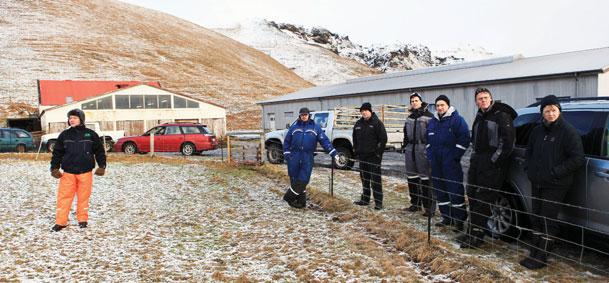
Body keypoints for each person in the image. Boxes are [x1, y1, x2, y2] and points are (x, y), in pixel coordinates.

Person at [519, 95, 584, 269]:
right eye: (547, 110)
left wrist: (555, 172)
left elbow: (577, 158)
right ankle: (534, 251)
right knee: (536, 217)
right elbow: (529, 152)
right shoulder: (537, 131)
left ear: (559, 111)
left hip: (556, 184)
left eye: (554, 110)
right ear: (542, 113)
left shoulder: (568, 131)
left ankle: (541, 257)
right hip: (538, 181)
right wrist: (529, 170)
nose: (551, 113)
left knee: (548, 219)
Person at [457, 88, 517, 248]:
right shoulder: (480, 116)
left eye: (485, 97)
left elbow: (507, 143)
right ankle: (471, 232)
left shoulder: (501, 116)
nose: (483, 100)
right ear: (476, 101)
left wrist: (493, 161)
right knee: (472, 195)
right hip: (477, 161)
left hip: (492, 165)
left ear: (491, 99)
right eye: (479, 98)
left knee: (483, 200)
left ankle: (477, 236)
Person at [50, 109, 106, 232]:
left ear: (81, 119)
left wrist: (102, 166)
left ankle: (82, 220)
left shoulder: (90, 134)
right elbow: (57, 153)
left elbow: (100, 151)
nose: (72, 120)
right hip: (68, 173)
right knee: (64, 198)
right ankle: (61, 222)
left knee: (83, 198)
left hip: (85, 172)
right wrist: (54, 168)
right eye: (70, 118)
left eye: (74, 117)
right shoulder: (64, 135)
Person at [427, 95, 470, 231]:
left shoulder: (456, 120)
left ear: (448, 106)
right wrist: (430, 154)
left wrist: (455, 156)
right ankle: (447, 217)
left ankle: (459, 220)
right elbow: (427, 139)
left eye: (442, 105)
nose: (440, 108)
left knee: (455, 190)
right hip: (436, 163)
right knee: (440, 190)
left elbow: (464, 138)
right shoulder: (433, 122)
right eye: (438, 105)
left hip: (451, 163)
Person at [282, 107, 338, 208]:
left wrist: (333, 152)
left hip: (307, 156)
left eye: (306, 115)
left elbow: (324, 140)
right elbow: (287, 141)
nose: (304, 116)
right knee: (294, 178)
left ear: (309, 116)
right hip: (294, 156)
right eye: (302, 115)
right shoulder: (294, 128)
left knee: (304, 179)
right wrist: (286, 153)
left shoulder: (315, 128)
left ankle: (289, 197)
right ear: (300, 116)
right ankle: (300, 202)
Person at [403, 93, 435, 216]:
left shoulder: (429, 116)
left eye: (416, 100)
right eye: (412, 101)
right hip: (411, 148)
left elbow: (432, 134)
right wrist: (405, 146)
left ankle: (428, 207)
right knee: (412, 177)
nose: (414, 102)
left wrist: (430, 149)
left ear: (421, 102)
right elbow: (405, 133)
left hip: (423, 148)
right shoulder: (409, 118)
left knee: (425, 178)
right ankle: (415, 204)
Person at [353, 102, 388, 210]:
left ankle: (378, 202)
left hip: (374, 158)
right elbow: (354, 139)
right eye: (362, 111)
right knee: (365, 179)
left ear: (370, 111)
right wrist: (356, 151)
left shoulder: (377, 123)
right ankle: (365, 199)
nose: (364, 112)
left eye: (366, 110)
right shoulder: (358, 124)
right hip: (362, 157)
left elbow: (383, 139)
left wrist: (378, 154)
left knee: (375, 180)